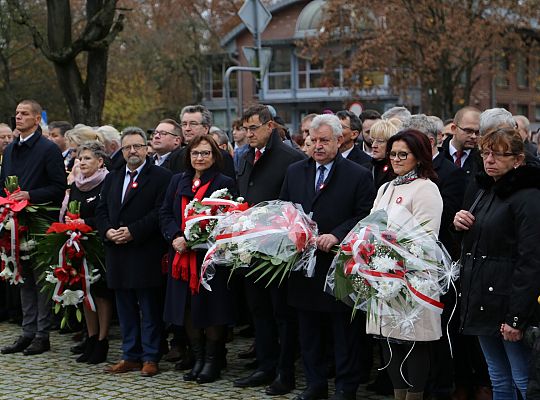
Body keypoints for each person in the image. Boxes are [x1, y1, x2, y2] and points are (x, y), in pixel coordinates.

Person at [280, 114, 375, 400]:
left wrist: (337, 234)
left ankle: (346, 387)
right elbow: (285, 208)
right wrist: (292, 231)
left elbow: (365, 214)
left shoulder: (358, 173)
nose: (317, 146)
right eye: (313, 140)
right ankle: (315, 383)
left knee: (342, 333)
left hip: (338, 265)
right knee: (308, 331)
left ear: (339, 140)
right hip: (303, 265)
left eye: (324, 140)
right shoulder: (295, 171)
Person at [454, 127, 540, 400]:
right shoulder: (486, 189)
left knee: (523, 379)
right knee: (497, 376)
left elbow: (531, 260)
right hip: (483, 298)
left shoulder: (528, 196)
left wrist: (516, 317)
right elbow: (480, 242)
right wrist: (460, 223)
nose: (489, 160)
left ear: (517, 160)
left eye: (498, 155)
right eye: (485, 153)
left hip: (509, 303)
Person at [233, 104, 305, 396]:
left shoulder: (290, 157)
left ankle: (284, 371)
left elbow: (296, 204)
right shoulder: (247, 156)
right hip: (250, 247)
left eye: (253, 128)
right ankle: (264, 364)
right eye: (245, 128)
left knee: (281, 313)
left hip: (278, 250)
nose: (248, 134)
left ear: (269, 126)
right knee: (258, 310)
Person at [368, 129, 443, 400]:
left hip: (414, 275)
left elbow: (427, 234)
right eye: (393, 154)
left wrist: (394, 253)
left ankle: (415, 395)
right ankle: (398, 394)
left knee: (414, 339)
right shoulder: (386, 187)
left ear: (419, 157)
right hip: (382, 272)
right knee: (388, 338)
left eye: (403, 154)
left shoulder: (426, 188)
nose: (397, 159)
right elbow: (371, 225)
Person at [96, 127, 172, 377]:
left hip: (144, 250)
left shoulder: (161, 177)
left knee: (149, 308)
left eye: (138, 146)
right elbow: (101, 210)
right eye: (128, 147)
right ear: (121, 150)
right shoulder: (113, 176)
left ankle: (151, 356)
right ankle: (130, 355)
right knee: (125, 307)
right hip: (117, 250)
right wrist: (107, 231)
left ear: (147, 148)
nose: (133, 151)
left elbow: (159, 212)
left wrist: (134, 231)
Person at [160, 135, 236, 384]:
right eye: (195, 153)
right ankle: (198, 357)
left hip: (209, 258)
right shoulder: (176, 181)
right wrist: (175, 237)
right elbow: (165, 213)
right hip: (180, 255)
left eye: (205, 153)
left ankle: (213, 361)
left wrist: (193, 239)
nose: (200, 158)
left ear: (214, 156)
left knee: (211, 309)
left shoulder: (224, 182)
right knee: (187, 308)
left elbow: (227, 218)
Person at [0, 99, 66, 356]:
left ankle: (42, 334)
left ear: (37, 119)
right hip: (14, 222)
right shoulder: (11, 148)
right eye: (16, 113)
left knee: (40, 280)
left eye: (24, 113)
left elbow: (59, 188)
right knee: (23, 277)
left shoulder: (48, 149)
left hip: (39, 221)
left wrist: (30, 195)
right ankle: (27, 332)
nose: (18, 117)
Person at [63, 141, 112, 364]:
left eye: (87, 158)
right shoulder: (76, 185)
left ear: (100, 161)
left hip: (98, 246)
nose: (82, 162)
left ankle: (102, 341)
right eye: (80, 159)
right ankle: (90, 337)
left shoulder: (107, 182)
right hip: (78, 246)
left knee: (100, 295)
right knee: (84, 292)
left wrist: (86, 223)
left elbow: (107, 214)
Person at [168, 105, 235, 179]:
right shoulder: (175, 157)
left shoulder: (221, 156)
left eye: (193, 124)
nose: (187, 128)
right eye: (184, 124)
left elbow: (228, 188)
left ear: (205, 129)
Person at [369, 119, 399, 190]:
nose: (374, 145)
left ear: (391, 144)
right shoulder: (366, 167)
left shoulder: (396, 171)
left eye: (380, 141)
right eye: (372, 141)